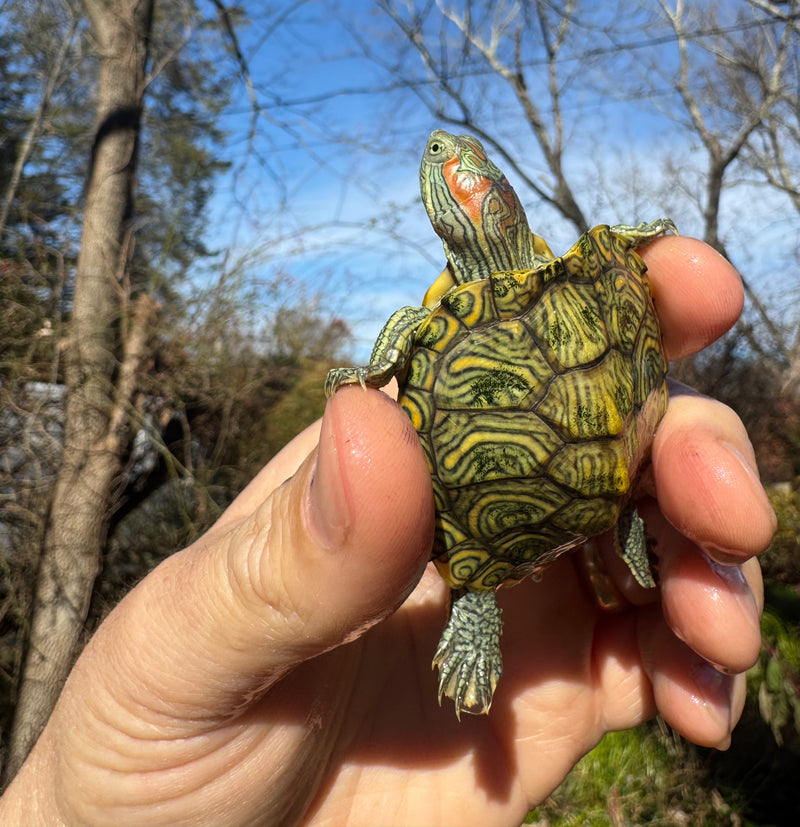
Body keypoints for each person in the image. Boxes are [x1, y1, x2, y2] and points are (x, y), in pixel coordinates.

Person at [0, 236, 776, 827]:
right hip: (511, 513)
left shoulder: (571, 276)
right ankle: (482, 591)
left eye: (459, 164)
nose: (442, 161)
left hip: (594, 484)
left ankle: (587, 544)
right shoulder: (456, 310)